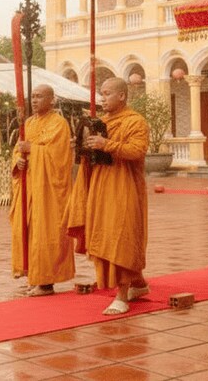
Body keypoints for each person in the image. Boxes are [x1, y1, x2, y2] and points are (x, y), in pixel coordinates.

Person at [66, 77, 150, 315]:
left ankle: (122, 295)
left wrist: (107, 144)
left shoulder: (135, 121)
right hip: (101, 187)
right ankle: (139, 283)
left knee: (120, 237)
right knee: (104, 235)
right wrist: (83, 146)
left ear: (122, 96)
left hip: (124, 187)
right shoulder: (99, 123)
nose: (102, 98)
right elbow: (93, 157)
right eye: (101, 94)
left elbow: (137, 151)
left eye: (107, 93)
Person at [10, 84, 75, 297]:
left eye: (40, 96)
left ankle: (46, 282)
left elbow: (58, 156)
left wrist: (33, 150)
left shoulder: (59, 123)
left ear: (52, 100)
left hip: (48, 190)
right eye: (33, 97)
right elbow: (18, 150)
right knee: (28, 229)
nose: (35, 100)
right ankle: (34, 277)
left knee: (46, 231)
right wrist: (18, 160)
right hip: (30, 186)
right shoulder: (28, 123)